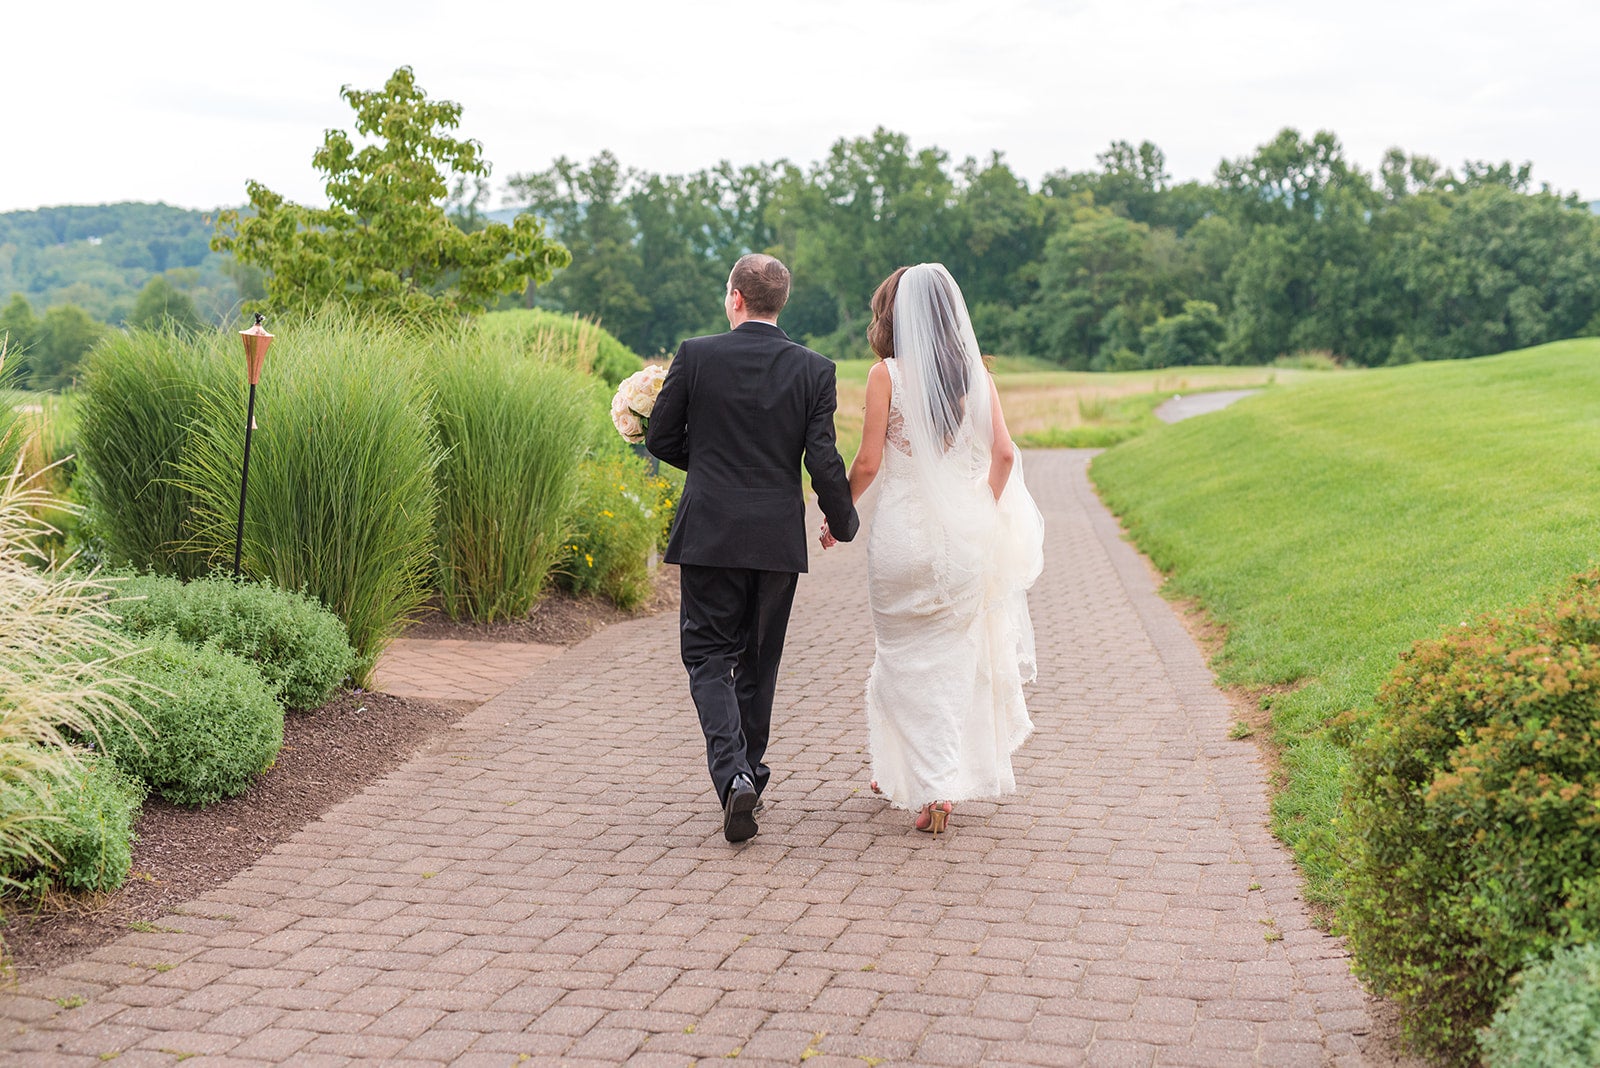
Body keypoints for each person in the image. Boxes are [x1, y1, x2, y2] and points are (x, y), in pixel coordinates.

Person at [821, 263, 1043, 835]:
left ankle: (927, 777)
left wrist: (835, 514)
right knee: (950, 658)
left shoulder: (885, 375)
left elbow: (868, 463)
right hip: (962, 542)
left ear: (894, 316)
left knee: (898, 657)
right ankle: (926, 781)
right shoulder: (978, 378)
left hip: (901, 537)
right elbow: (1004, 457)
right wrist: (983, 514)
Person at [647, 253, 859, 843]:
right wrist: (843, 520)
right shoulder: (816, 369)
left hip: (710, 530)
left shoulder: (696, 355)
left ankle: (733, 774)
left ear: (735, 298)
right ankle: (751, 777)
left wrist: (713, 467)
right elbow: (822, 458)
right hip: (774, 536)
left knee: (708, 656)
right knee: (758, 662)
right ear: (779, 302)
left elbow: (662, 436)